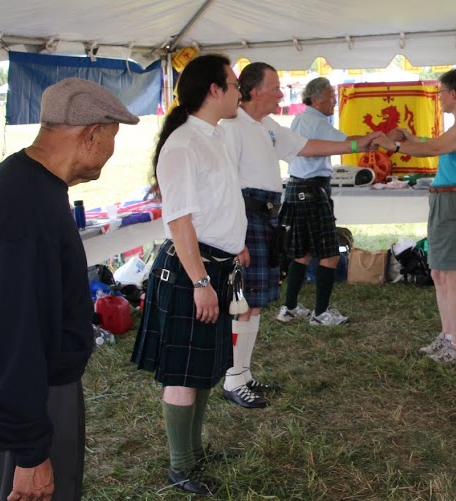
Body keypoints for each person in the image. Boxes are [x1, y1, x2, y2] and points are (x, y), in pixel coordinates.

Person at [0, 78, 139, 500]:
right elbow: (16, 333)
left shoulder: (26, 181)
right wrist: (29, 451)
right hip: (28, 397)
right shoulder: (28, 208)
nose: (112, 152)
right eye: (112, 137)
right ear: (91, 134)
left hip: (29, 390)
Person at [219, 62, 379, 408]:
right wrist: (237, 237)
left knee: (255, 303)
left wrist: (361, 143)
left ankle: (243, 374)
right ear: (255, 90)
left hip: (263, 213)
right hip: (244, 215)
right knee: (243, 303)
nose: (282, 93)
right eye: (276, 87)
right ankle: (232, 379)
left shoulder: (265, 125)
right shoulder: (232, 126)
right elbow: (226, 182)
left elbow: (307, 147)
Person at [130, 54, 244, 495]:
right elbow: (179, 222)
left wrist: (235, 248)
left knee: (202, 370)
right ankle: (181, 468)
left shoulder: (211, 136)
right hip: (188, 272)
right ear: (213, 90)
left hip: (213, 265)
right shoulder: (182, 145)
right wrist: (200, 283)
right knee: (181, 374)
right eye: (233, 84)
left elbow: (215, 206)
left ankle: (194, 453)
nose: (239, 91)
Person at [373, 68, 456, 365]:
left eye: (441, 92)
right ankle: (448, 338)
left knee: (452, 279)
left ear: (454, 95)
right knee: (439, 274)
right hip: (447, 202)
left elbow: (432, 148)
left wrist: (394, 145)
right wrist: (411, 138)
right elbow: (435, 144)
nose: (439, 97)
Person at [280, 77, 359, 330]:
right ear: (315, 99)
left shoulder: (301, 119)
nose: (334, 101)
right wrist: (376, 138)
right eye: (330, 96)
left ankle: (289, 308)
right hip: (312, 190)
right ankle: (321, 313)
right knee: (330, 253)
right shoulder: (314, 121)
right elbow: (347, 142)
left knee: (301, 252)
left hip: (296, 188)